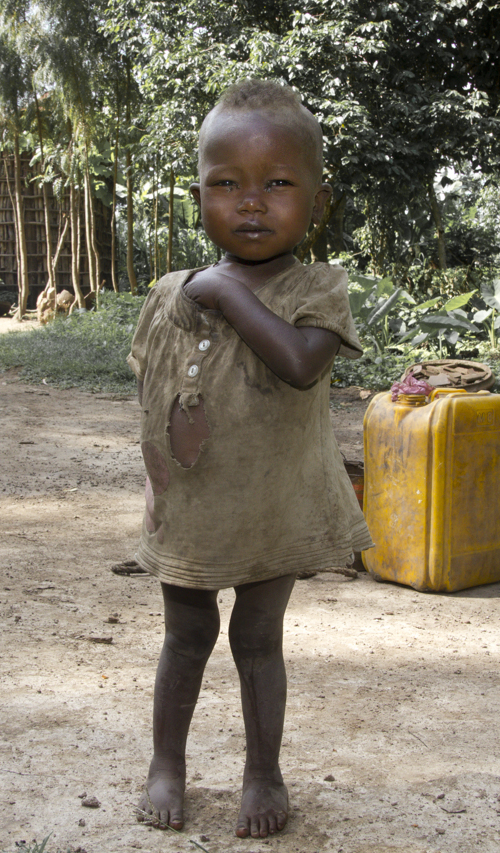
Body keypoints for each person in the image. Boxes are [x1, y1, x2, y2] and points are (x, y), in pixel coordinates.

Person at [127, 79, 372, 839]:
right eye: (227, 184)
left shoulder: (317, 289)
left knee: (258, 640)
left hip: (273, 508)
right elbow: (152, 384)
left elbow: (301, 364)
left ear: (317, 200)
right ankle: (167, 762)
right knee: (186, 635)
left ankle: (263, 769)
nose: (252, 202)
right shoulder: (173, 291)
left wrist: (230, 295)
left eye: (276, 183)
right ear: (198, 193)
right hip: (193, 508)